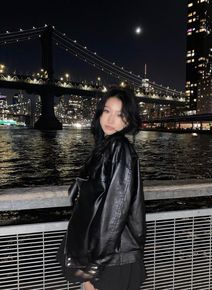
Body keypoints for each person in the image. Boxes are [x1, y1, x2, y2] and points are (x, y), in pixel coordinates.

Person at [57, 85, 146, 290]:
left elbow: (114, 212)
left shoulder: (119, 149)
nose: (110, 119)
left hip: (111, 256)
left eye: (120, 114)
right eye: (107, 111)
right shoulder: (104, 148)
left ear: (129, 120)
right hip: (108, 252)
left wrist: (94, 266)